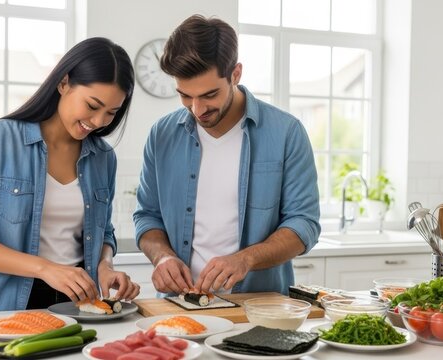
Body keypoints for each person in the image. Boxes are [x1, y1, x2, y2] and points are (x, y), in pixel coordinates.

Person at [133, 15, 320, 296]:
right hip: (179, 306)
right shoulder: (161, 135)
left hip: (259, 308)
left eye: (209, 94)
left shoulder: (286, 133)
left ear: (236, 74)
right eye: (185, 96)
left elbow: (304, 223)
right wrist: (162, 256)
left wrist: (245, 259)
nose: (197, 109)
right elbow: (148, 217)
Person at [0, 37, 140, 313]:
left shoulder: (103, 157)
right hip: (3, 308)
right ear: (63, 83)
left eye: (112, 112)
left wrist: (105, 267)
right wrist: (46, 269)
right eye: (92, 105)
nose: (99, 122)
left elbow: (104, 233)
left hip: (79, 306)